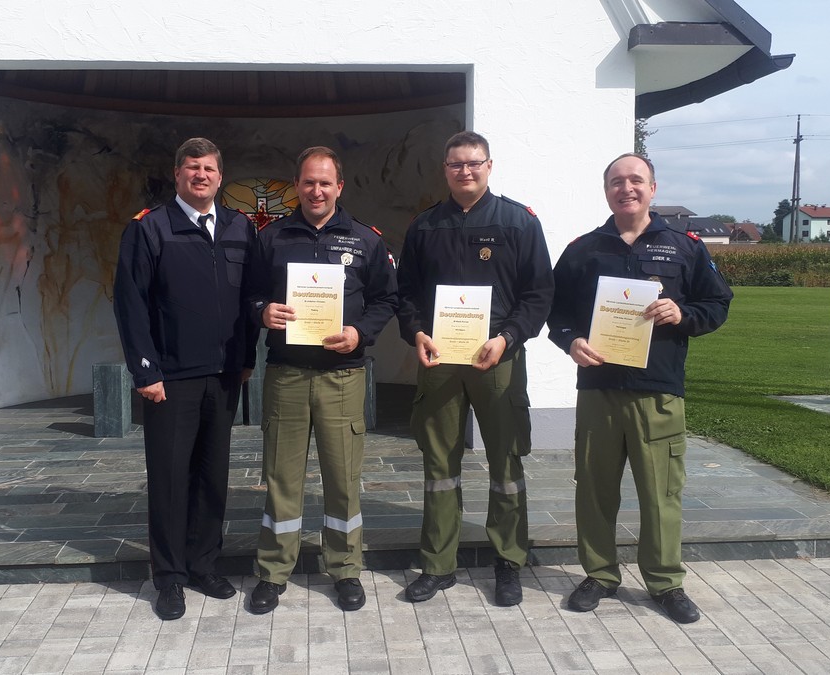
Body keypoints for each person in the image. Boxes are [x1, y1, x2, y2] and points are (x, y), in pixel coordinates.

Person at [547, 153, 732, 624]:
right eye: (616, 181)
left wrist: (683, 313)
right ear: (606, 190)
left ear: (652, 188)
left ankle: (665, 582)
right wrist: (571, 341)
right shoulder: (583, 250)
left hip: (658, 391)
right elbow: (556, 311)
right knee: (594, 489)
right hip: (599, 388)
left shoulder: (685, 247)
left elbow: (717, 303)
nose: (625, 188)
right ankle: (600, 575)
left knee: (660, 493)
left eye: (635, 180)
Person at [395, 131, 553, 606]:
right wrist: (416, 332)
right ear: (445, 169)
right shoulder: (425, 226)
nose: (465, 171)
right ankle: (438, 564)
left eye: (473, 163)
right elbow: (405, 293)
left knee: (506, 462)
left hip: (497, 359)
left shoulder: (519, 222)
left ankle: (509, 561)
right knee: (439, 464)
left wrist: (508, 337)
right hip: (441, 360)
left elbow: (539, 294)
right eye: (456, 164)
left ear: (489, 166)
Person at [246, 146, 398, 614]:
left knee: (343, 479)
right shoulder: (270, 238)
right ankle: (273, 571)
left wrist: (360, 333)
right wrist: (262, 311)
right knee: (281, 479)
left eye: (325, 182)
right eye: (309, 182)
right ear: (296, 185)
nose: (317, 191)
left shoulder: (366, 240)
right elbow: (248, 292)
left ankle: (345, 569)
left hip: (342, 377)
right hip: (286, 376)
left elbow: (386, 299)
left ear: (339, 187)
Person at [112, 137, 258, 621]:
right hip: (171, 379)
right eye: (192, 167)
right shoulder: (149, 228)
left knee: (212, 477)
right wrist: (145, 370)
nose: (201, 175)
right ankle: (170, 577)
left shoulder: (240, 227)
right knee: (171, 479)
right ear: (177, 174)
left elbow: (250, 296)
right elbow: (130, 303)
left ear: (220, 177)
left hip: (224, 375)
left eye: (209, 168)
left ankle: (204, 565)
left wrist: (246, 357)